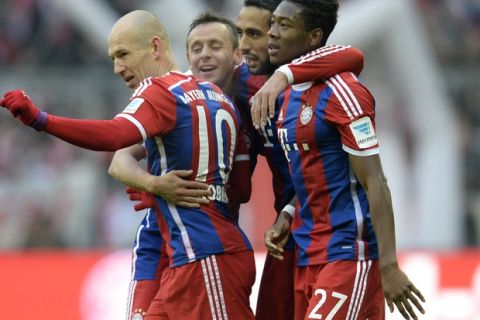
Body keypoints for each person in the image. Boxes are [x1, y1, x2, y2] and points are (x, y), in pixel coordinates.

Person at [1, 10, 256, 320]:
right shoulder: (220, 98)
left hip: (204, 254)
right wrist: (156, 185)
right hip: (193, 254)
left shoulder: (160, 92)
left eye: (123, 54)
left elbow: (114, 136)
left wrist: (41, 120)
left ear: (156, 47)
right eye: (112, 58)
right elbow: (240, 188)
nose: (117, 68)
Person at [260, 1, 426, 319]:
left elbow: (375, 180)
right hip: (308, 254)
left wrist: (389, 265)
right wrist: (288, 212)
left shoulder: (345, 92)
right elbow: (314, 171)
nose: (272, 33)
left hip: (348, 251)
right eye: (273, 23)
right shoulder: (287, 97)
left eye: (284, 25)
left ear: (313, 37)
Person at [236, 1, 364, 319]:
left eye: (256, 33)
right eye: (240, 33)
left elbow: (353, 55)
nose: (245, 46)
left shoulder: (322, 84)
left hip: (335, 238)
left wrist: (283, 75)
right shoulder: (242, 84)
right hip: (289, 233)